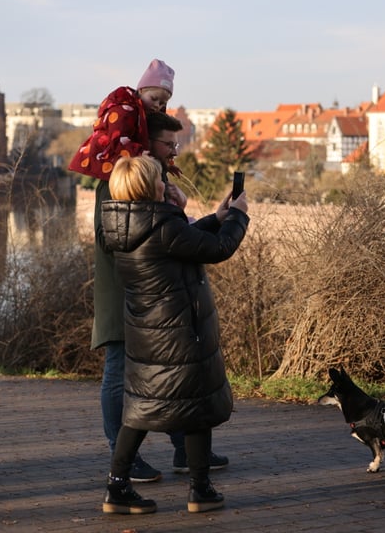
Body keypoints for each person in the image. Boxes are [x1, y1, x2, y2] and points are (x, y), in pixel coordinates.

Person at [100, 153, 249, 514]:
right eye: (159, 179)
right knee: (195, 406)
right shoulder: (164, 226)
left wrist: (214, 218)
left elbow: (180, 243)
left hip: (147, 333)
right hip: (180, 331)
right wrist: (239, 216)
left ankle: (117, 489)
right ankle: (201, 489)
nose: (165, 183)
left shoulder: (124, 225)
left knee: (139, 410)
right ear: (148, 187)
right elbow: (218, 248)